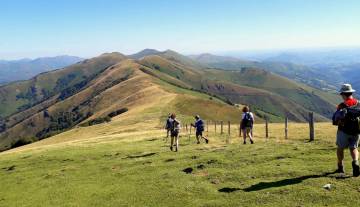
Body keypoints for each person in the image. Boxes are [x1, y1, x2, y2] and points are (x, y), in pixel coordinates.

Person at [332, 84, 360, 177]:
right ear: (351, 92)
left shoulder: (342, 105)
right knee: (354, 148)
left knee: (340, 148)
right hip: (356, 131)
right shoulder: (358, 103)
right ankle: (355, 161)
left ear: (344, 94)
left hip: (343, 131)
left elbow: (336, 119)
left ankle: (340, 166)